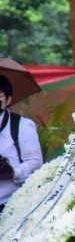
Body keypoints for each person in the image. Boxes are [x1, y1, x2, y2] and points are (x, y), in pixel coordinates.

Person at [0, 75, 43, 212]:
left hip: (11, 204)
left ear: (8, 100)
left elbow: (35, 162)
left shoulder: (21, 125)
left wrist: (13, 172)